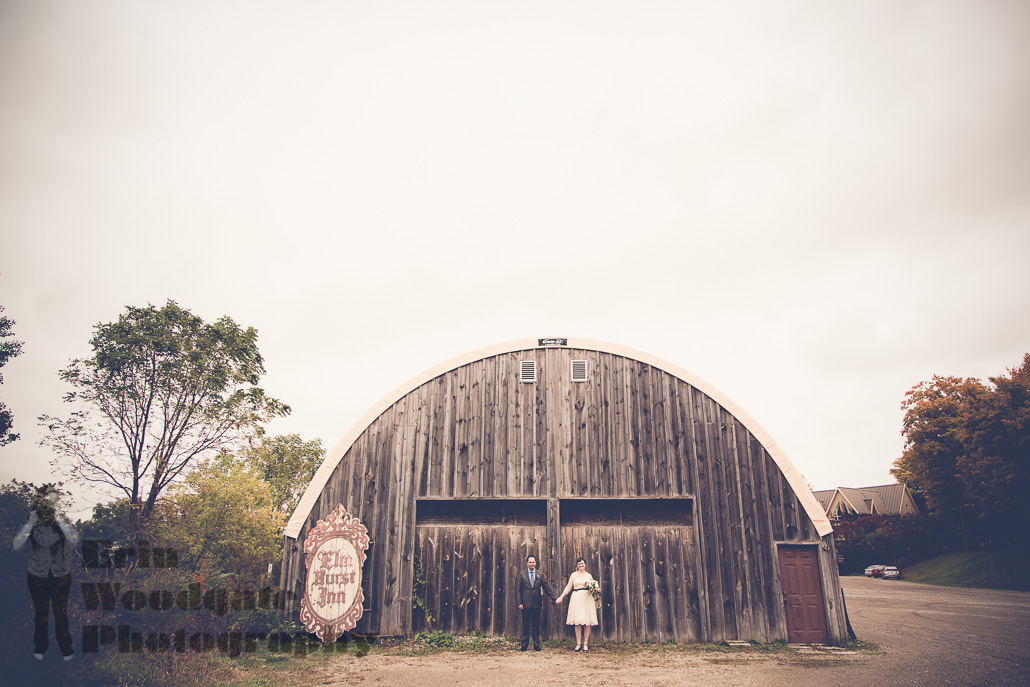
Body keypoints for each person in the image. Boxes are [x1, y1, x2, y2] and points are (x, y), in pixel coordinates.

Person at [12, 486, 79, 661]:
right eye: (48, 500)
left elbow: (74, 539)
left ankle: (66, 647)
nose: (51, 504)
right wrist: (29, 524)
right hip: (36, 574)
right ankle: (40, 647)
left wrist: (59, 520)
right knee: (41, 612)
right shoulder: (32, 519)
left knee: (60, 612)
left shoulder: (62, 519)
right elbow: (16, 545)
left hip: (61, 574)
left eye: (55, 500)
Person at [555, 557, 598, 652]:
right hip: (577, 598)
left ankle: (585, 644)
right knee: (577, 622)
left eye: (582, 563)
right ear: (577, 565)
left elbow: (593, 588)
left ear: (585, 565)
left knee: (587, 622)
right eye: (579, 564)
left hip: (587, 598)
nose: (581, 565)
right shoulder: (573, 575)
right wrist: (561, 596)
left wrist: (595, 592)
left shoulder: (589, 576)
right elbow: (569, 586)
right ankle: (578, 644)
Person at [516, 554, 557, 651]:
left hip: (536, 603)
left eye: (533, 562)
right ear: (527, 563)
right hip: (525, 603)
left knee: (536, 624)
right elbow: (518, 590)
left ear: (535, 563)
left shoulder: (540, 574)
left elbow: (546, 588)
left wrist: (554, 598)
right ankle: (524, 645)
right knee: (525, 625)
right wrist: (519, 602)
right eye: (530, 562)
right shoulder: (521, 574)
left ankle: (536, 644)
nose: (532, 564)